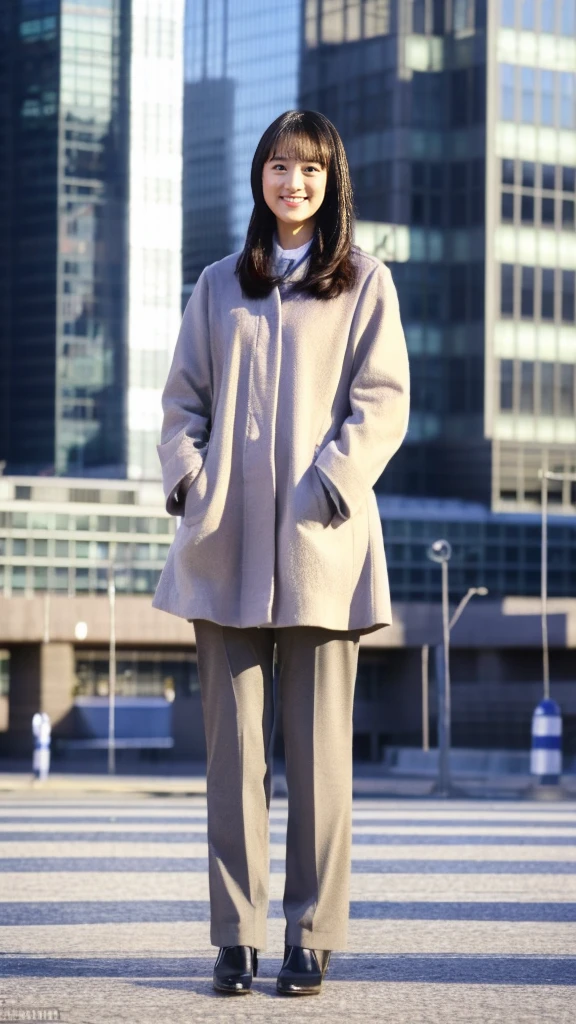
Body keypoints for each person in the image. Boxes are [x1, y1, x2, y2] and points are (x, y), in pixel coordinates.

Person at [152, 109, 410, 996]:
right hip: (222, 553)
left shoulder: (364, 283)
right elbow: (181, 403)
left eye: (309, 168)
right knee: (234, 763)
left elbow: (383, 402)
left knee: (320, 759)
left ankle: (313, 933)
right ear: (259, 179)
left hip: (321, 553)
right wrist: (191, 484)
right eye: (277, 166)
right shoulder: (219, 284)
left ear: (332, 180)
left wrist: (328, 486)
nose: (292, 182)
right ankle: (236, 936)